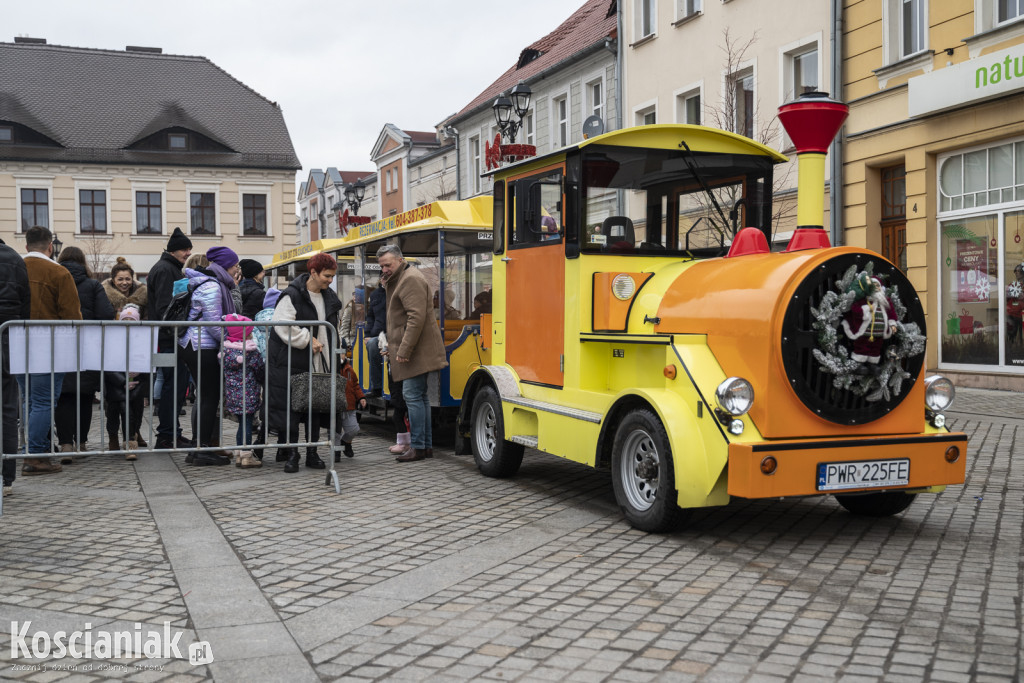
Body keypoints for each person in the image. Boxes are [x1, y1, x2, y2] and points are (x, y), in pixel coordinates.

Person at [268, 253, 341, 473]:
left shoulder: (330, 297)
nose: (330, 280)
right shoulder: (292, 295)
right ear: (313, 273)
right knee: (293, 409)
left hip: (320, 360)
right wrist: (308, 339)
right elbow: (282, 325)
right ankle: (293, 453)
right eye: (327, 276)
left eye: (332, 276)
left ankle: (312, 452)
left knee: (315, 408)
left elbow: (332, 330)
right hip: (294, 361)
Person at [19, 226, 82, 476]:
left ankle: (32, 449)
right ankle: (35, 455)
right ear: (50, 247)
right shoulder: (58, 272)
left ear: (26, 246)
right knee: (44, 401)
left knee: (29, 400)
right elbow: (72, 315)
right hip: (48, 346)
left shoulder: (16, 268)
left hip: (17, 344)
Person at [377, 245, 448, 463]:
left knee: (413, 396)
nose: (384, 269)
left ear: (400, 260)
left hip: (415, 351)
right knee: (419, 397)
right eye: (381, 266)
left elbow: (415, 318)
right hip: (415, 349)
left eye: (388, 265)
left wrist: (404, 349)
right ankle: (423, 446)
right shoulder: (404, 277)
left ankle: (418, 447)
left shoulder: (410, 279)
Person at [179, 246, 240, 466]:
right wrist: (232, 340)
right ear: (225, 266)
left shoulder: (210, 282)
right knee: (209, 397)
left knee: (206, 396)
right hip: (201, 345)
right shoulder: (212, 285)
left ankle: (198, 447)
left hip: (197, 344)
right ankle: (202, 449)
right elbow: (214, 324)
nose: (236, 270)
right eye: (234, 265)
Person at [55, 246, 115, 462]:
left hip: (58, 345)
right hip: (87, 347)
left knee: (63, 396)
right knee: (84, 396)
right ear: (83, 262)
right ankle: (80, 444)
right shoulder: (92, 285)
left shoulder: (55, 281)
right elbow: (106, 314)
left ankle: (65, 445)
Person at [148, 227, 193, 451]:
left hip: (169, 338)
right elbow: (166, 308)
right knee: (172, 387)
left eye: (189, 249)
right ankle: (167, 435)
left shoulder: (170, 267)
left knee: (174, 387)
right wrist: (178, 332)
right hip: (169, 340)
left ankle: (171, 432)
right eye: (184, 249)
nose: (188, 253)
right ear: (173, 251)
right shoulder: (166, 270)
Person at [0, 237, 31, 496]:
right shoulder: (13, 257)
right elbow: (25, 304)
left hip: (8, 335)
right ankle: (5, 478)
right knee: (8, 408)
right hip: (7, 337)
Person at [104, 305, 148, 461]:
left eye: (132, 320)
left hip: (136, 384)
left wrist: (140, 372)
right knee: (113, 412)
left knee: (134, 413)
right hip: (115, 384)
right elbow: (107, 365)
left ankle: (130, 441)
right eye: (125, 320)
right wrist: (122, 381)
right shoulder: (112, 340)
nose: (128, 323)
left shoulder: (143, 340)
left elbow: (148, 361)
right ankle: (114, 438)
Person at [221, 313, 263, 469]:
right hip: (249, 393)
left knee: (241, 423)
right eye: (250, 332)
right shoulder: (250, 351)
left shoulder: (226, 351)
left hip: (233, 394)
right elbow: (259, 368)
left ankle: (239, 453)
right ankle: (246, 455)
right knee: (247, 424)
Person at [333, 353, 367, 461]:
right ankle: (336, 451)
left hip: (349, 405)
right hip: (334, 406)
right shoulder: (330, 368)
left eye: (342, 353)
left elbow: (355, 385)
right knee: (334, 431)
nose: (340, 355)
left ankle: (346, 442)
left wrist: (361, 397)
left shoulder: (349, 369)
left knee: (353, 429)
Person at [364, 282, 386, 397]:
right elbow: (370, 316)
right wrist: (367, 334)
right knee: (372, 345)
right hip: (377, 333)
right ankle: (377, 387)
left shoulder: (399, 289)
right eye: (383, 276)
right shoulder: (375, 294)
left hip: (394, 333)